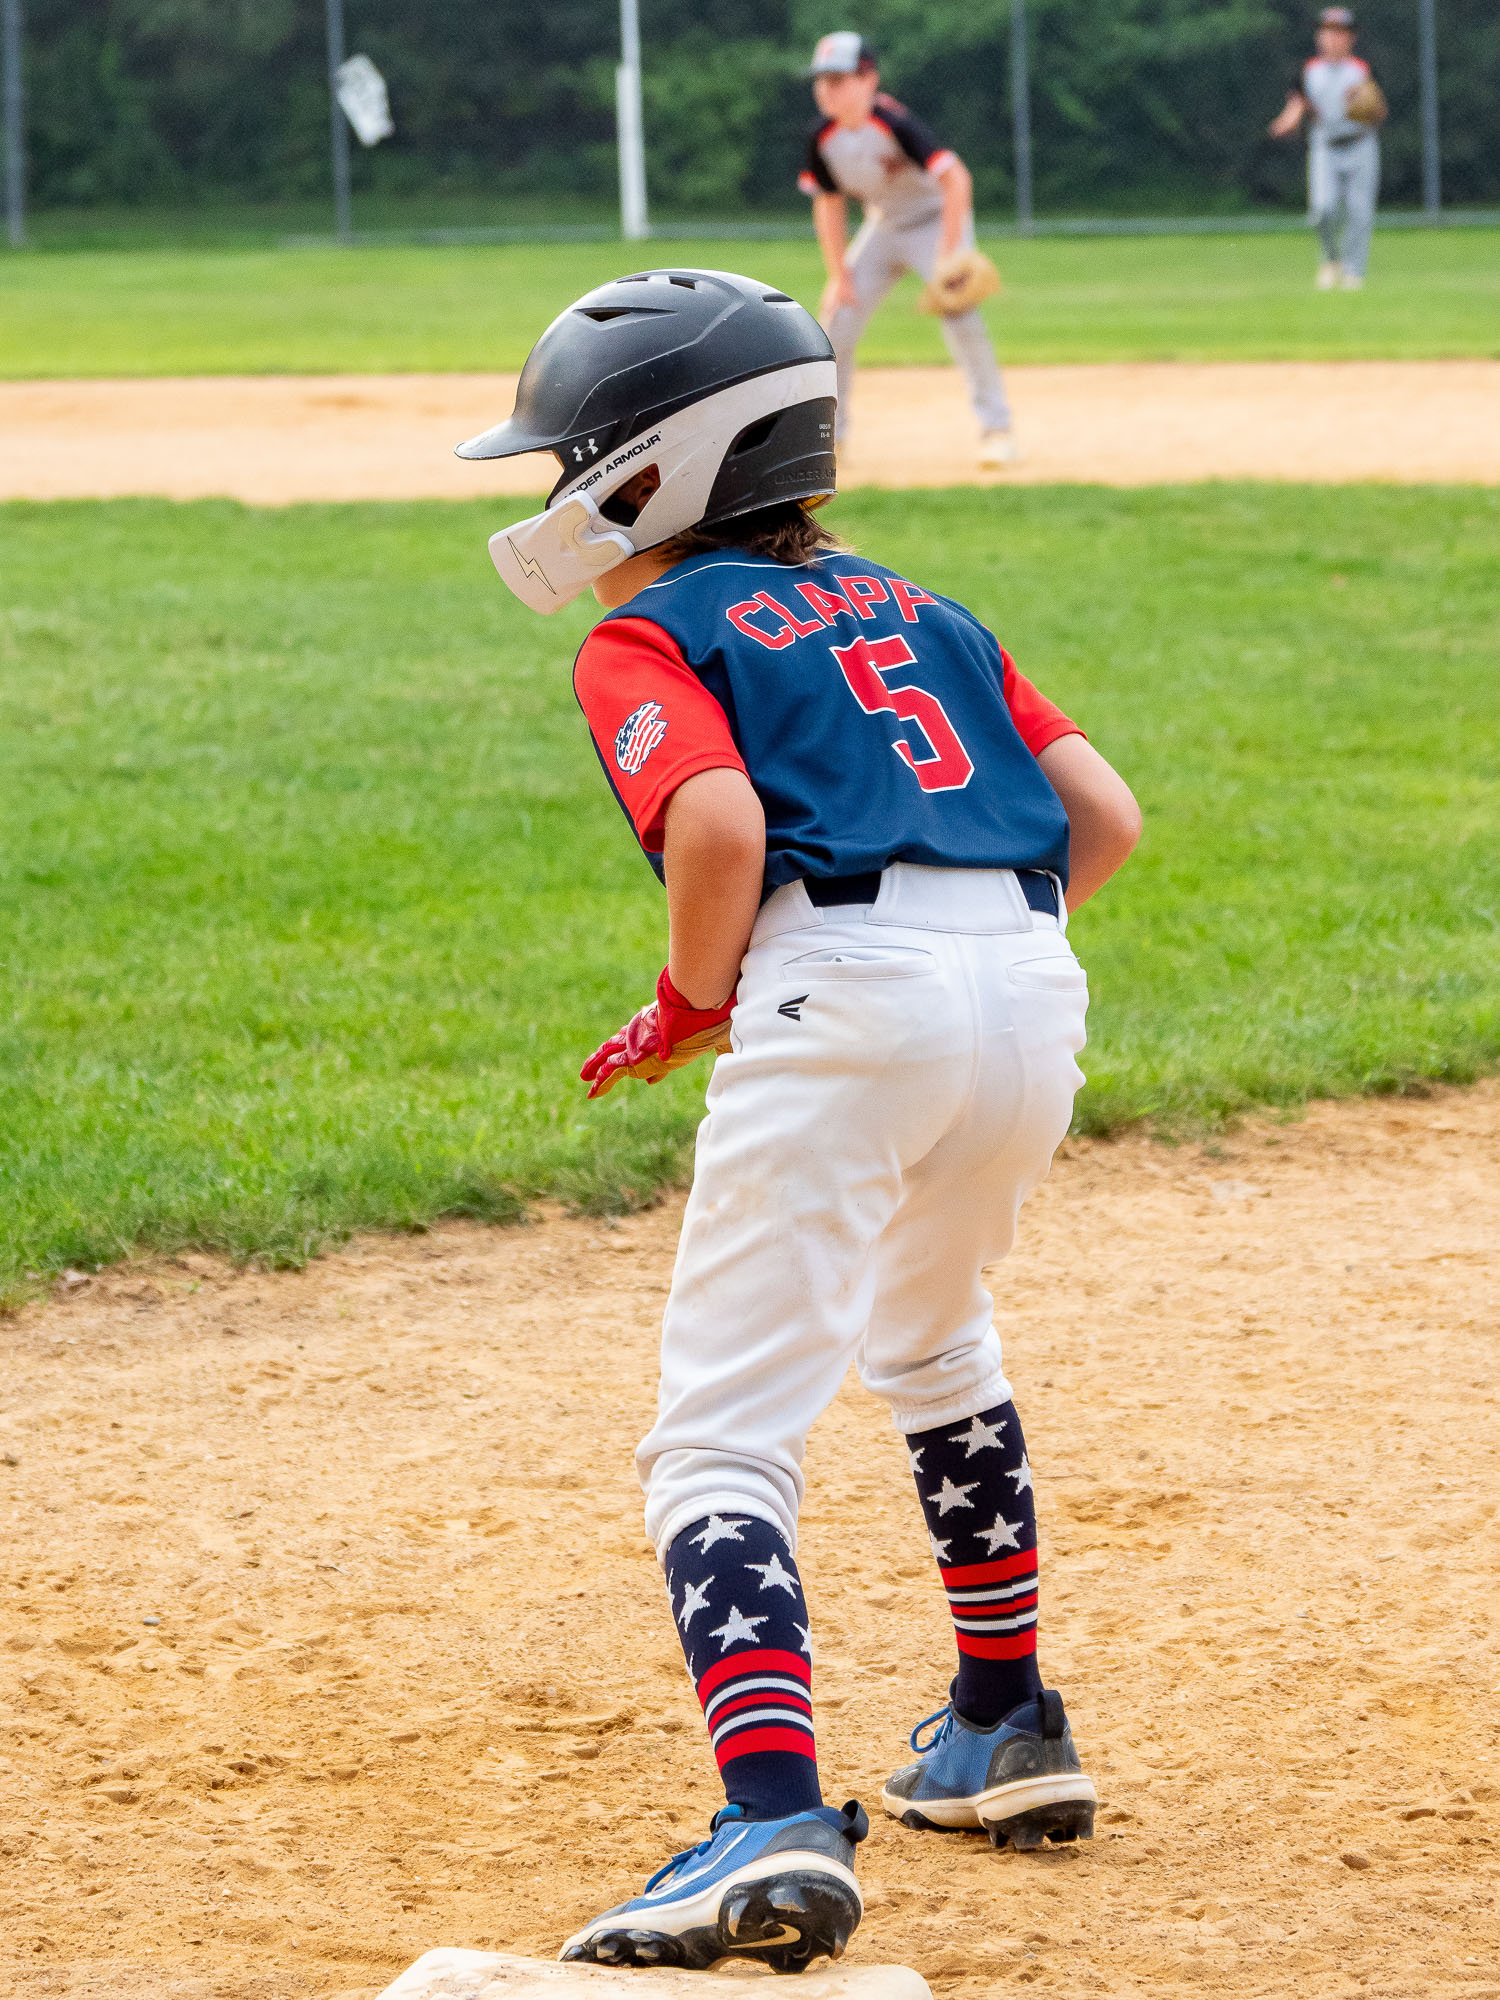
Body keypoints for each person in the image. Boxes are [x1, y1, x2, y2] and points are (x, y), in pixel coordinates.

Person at [455, 268, 1141, 1973]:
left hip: (843, 995)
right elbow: (1101, 817)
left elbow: (714, 828)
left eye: (571, 463)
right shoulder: (925, 604)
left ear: (649, 471)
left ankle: (768, 1819)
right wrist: (974, 966)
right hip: (1028, 984)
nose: (558, 499)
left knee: (718, 1437)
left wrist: (700, 1002)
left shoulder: (651, 632)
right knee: (932, 1336)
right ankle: (1004, 1722)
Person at [798, 30, 1016, 468]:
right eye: (822, 80)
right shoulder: (821, 137)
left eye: (838, 79)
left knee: (961, 314)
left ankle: (996, 431)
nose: (827, 89)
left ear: (868, 80)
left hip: (936, 222)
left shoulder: (895, 124)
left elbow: (956, 180)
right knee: (837, 320)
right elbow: (829, 202)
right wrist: (838, 275)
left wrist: (950, 255)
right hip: (885, 227)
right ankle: (830, 443)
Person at [1269, 6, 1383, 290]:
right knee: (1322, 210)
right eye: (1327, 31)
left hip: (1360, 144)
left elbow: (1379, 112)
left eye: (1339, 32)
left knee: (1359, 212)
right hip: (1325, 147)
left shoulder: (1362, 70)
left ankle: (1354, 272)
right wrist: (1286, 121)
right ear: (1319, 36)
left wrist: (1370, 108)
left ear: (1350, 38)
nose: (1332, 37)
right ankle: (1331, 259)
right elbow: (1298, 104)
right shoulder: (1309, 71)